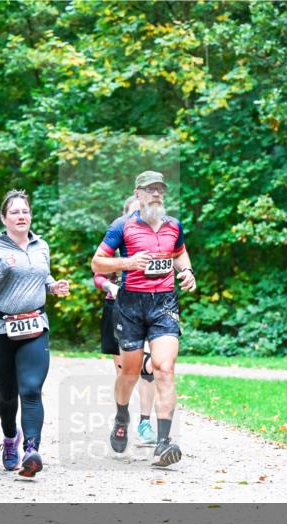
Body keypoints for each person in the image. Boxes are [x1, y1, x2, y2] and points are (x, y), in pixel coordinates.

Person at [90, 171, 197, 467]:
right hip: (130, 304)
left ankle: (163, 442)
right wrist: (127, 263)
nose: (157, 195)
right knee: (130, 372)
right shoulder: (121, 227)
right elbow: (97, 262)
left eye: (160, 190)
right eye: (150, 190)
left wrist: (187, 272)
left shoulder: (174, 225)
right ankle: (122, 415)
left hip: (164, 303)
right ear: (138, 194)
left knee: (164, 368)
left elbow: (180, 254)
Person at [0, 189, 70, 477]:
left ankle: (31, 450)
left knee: (31, 389)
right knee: (8, 394)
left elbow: (42, 275)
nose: (21, 216)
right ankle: (10, 438)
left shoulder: (41, 246)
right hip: (1, 327)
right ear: (4, 218)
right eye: (14, 212)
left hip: (36, 324)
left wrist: (53, 286)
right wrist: (1, 269)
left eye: (25, 211)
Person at [94, 195, 158, 445]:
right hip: (118, 307)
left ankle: (145, 423)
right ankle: (122, 417)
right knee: (126, 371)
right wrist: (112, 286)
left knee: (148, 367)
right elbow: (97, 275)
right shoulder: (116, 239)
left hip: (149, 306)